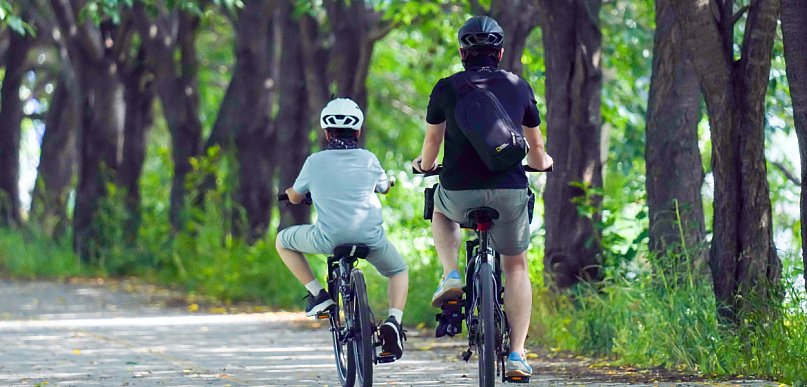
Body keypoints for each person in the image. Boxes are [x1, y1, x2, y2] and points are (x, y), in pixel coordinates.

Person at [411, 16, 553, 379]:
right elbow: (535, 149)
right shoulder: (519, 87)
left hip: (459, 190)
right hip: (509, 191)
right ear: (501, 53)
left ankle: (451, 273)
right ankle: (518, 354)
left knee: (439, 208)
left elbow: (431, 146)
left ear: (462, 53)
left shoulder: (446, 88)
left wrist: (424, 166)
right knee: (517, 265)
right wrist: (542, 163)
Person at [276, 98, 408, 359]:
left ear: (326, 133)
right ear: (358, 131)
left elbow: (294, 196)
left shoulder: (314, 162)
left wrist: (291, 193)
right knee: (398, 270)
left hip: (329, 239)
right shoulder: (369, 159)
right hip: (370, 238)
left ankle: (319, 295)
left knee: (282, 240)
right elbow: (384, 187)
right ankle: (394, 320)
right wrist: (388, 182)